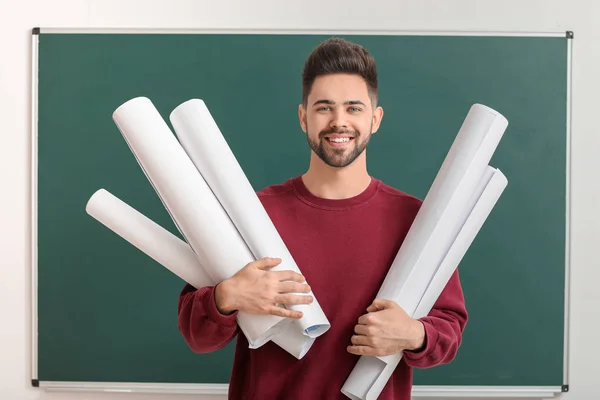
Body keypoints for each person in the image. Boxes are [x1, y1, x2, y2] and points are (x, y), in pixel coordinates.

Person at [177, 37, 468, 400]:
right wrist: (228, 295)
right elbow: (197, 335)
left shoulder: (416, 220)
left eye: (354, 108)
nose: (339, 122)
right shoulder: (252, 213)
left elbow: (449, 331)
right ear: (303, 117)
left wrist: (414, 334)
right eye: (324, 108)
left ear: (375, 119)